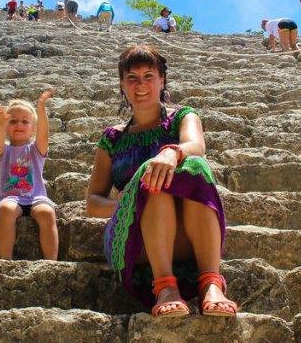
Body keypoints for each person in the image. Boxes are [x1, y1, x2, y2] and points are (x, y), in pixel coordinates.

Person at [86, 45, 236, 317]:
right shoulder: (112, 139)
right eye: (132, 78)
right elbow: (93, 203)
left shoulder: (183, 117)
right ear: (122, 84)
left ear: (162, 80)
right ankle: (164, 287)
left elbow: (196, 146)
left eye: (148, 76)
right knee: (151, 178)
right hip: (135, 241)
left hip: (186, 231)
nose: (140, 85)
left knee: (192, 164)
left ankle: (211, 282)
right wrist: (131, 200)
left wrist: (171, 151)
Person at [0, 91, 59, 260]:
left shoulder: (35, 150)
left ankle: (52, 263)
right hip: (10, 197)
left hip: (36, 197)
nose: (18, 124)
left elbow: (44, 135)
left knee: (47, 212)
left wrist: (41, 108)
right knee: (7, 209)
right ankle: (5, 260)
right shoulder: (4, 152)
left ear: (32, 129)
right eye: (12, 121)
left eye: (25, 121)